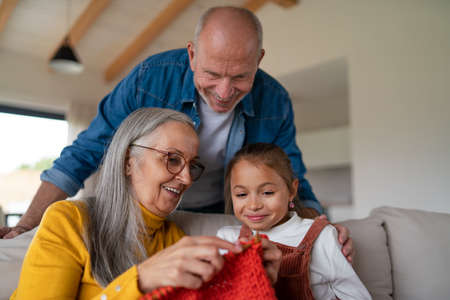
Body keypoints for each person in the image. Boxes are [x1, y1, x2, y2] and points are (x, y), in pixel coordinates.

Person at [1, 6, 352, 261]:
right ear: (192, 53)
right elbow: (86, 152)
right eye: (212, 74)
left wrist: (318, 228)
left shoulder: (275, 99)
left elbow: (291, 176)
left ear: (258, 59)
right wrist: (28, 224)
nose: (225, 91)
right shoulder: (149, 79)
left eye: (241, 77)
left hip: (218, 211)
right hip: (141, 207)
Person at [10, 108, 282, 299]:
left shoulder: (175, 239)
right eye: (172, 159)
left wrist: (251, 281)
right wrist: (139, 281)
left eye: (192, 165)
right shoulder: (68, 220)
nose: (187, 178)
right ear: (129, 161)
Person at [217, 143, 371, 300]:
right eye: (241, 194)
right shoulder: (227, 239)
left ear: (292, 191)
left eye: (267, 192)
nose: (253, 205)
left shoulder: (322, 237)